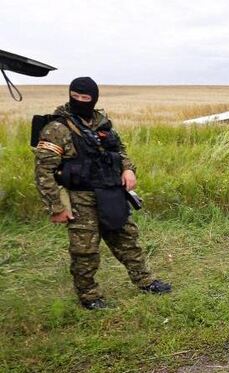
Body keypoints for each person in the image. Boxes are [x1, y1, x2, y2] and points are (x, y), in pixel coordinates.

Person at [33, 77, 172, 310]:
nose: (79, 101)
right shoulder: (57, 128)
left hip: (110, 193)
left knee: (127, 240)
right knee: (84, 250)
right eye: (74, 97)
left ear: (94, 99)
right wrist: (55, 207)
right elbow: (43, 171)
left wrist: (128, 169)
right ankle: (89, 296)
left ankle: (145, 281)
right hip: (80, 198)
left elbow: (120, 151)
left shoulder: (103, 123)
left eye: (85, 98)